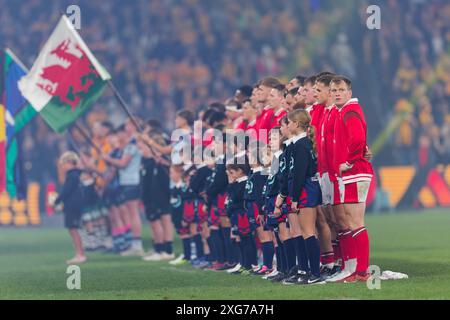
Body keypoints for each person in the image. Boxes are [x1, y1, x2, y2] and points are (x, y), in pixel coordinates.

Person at [327, 76, 374, 283]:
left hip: (355, 171)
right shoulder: (343, 111)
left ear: (349, 92)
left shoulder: (350, 111)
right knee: (352, 221)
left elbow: (357, 139)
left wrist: (349, 161)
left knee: (355, 222)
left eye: (341, 89)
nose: (337, 93)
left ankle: (362, 271)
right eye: (334, 90)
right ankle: (359, 271)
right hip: (352, 172)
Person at [284, 109, 325, 285]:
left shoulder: (302, 145)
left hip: (306, 188)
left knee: (308, 231)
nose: (287, 125)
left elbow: (300, 173)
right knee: (303, 231)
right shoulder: (297, 144)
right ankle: (306, 271)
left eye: (289, 122)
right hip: (302, 188)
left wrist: (294, 198)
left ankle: (315, 273)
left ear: (296, 124)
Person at [103, 120, 144, 256]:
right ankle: (133, 243)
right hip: (127, 181)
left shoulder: (133, 144)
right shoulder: (130, 144)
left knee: (132, 213)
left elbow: (123, 163)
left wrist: (108, 159)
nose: (125, 127)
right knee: (131, 213)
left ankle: (137, 245)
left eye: (127, 124)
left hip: (132, 180)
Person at [54, 151, 86, 264]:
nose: (62, 167)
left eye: (63, 164)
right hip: (73, 205)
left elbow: (66, 191)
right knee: (73, 229)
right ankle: (80, 253)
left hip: (72, 205)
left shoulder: (72, 175)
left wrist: (57, 201)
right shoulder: (76, 174)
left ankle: (80, 254)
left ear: (69, 162)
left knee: (73, 229)